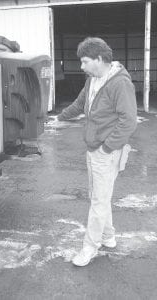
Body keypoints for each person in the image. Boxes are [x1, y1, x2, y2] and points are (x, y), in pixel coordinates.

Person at [57, 37, 137, 267]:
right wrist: (58, 119)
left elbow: (129, 121)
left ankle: (89, 247)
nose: (81, 67)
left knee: (98, 202)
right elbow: (79, 104)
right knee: (99, 198)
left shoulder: (119, 84)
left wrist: (107, 147)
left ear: (99, 59)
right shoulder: (92, 79)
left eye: (84, 61)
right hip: (93, 149)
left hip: (106, 152)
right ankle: (108, 236)